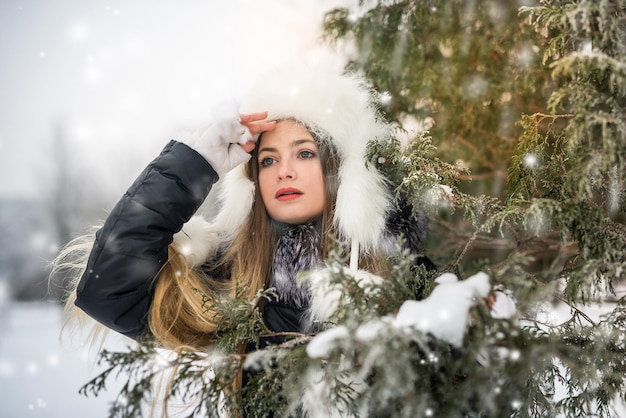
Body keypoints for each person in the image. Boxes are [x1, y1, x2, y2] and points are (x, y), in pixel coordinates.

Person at [53, 56, 433, 414]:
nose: (283, 171)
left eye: (304, 153)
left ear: (348, 173)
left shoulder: (411, 283)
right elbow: (109, 292)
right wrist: (195, 164)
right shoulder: (232, 285)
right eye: (267, 160)